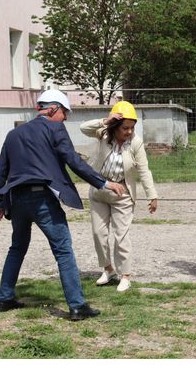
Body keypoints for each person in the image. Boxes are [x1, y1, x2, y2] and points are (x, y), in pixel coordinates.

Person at [0, 89, 125, 321]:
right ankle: (77, 306)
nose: (65, 118)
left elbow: (0, 170)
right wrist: (104, 182)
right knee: (63, 250)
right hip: (42, 198)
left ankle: (5, 298)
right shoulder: (55, 128)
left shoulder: (14, 134)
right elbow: (72, 160)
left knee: (17, 248)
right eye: (64, 112)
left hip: (17, 199)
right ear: (53, 109)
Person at [80, 101, 158, 292]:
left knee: (121, 236)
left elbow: (144, 170)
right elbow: (83, 128)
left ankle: (126, 275)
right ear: (115, 126)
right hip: (100, 190)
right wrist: (106, 121)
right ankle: (108, 269)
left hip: (122, 194)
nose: (129, 132)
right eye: (125, 128)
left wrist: (152, 195)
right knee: (99, 234)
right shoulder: (103, 133)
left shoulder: (136, 142)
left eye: (132, 128)